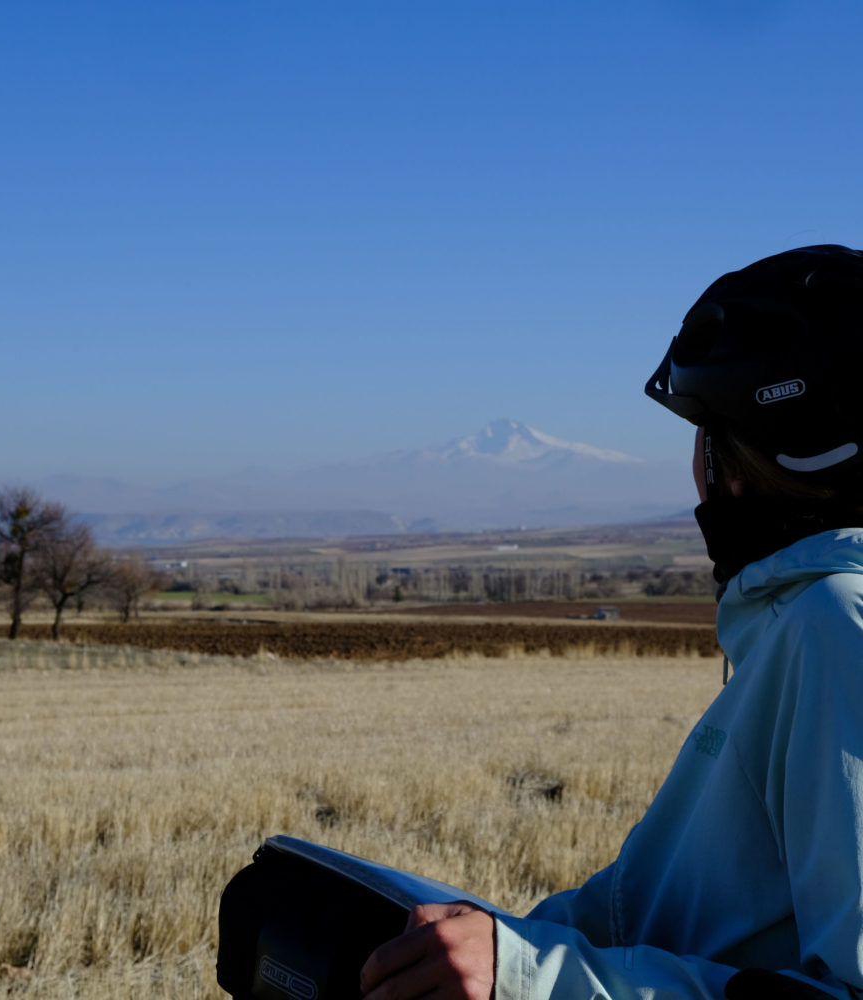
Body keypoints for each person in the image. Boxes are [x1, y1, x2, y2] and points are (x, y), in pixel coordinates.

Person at [360, 244, 863, 1000]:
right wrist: (501, 944)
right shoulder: (797, 621)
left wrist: (528, 976)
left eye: (704, 432)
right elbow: (645, 910)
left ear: (737, 463)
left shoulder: (837, 625)